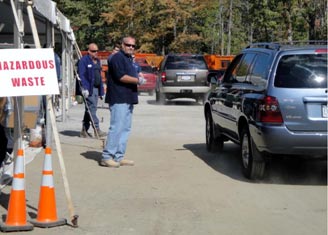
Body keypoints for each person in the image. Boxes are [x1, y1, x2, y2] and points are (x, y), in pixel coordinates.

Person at [101, 36, 145, 168]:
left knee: (125, 128)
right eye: (128, 45)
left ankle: (118, 156)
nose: (131, 47)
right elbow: (121, 77)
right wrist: (138, 80)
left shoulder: (128, 59)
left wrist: (139, 75)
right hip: (118, 97)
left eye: (133, 46)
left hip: (128, 97)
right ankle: (107, 156)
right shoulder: (117, 58)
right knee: (117, 127)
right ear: (122, 45)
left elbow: (133, 72)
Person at [78, 43, 106, 138]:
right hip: (89, 89)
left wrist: (101, 91)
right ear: (88, 51)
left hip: (96, 88)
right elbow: (81, 75)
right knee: (92, 108)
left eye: (97, 51)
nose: (96, 53)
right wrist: (84, 88)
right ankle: (97, 129)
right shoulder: (83, 61)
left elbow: (99, 76)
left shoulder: (97, 61)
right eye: (94, 51)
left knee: (89, 109)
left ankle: (84, 130)